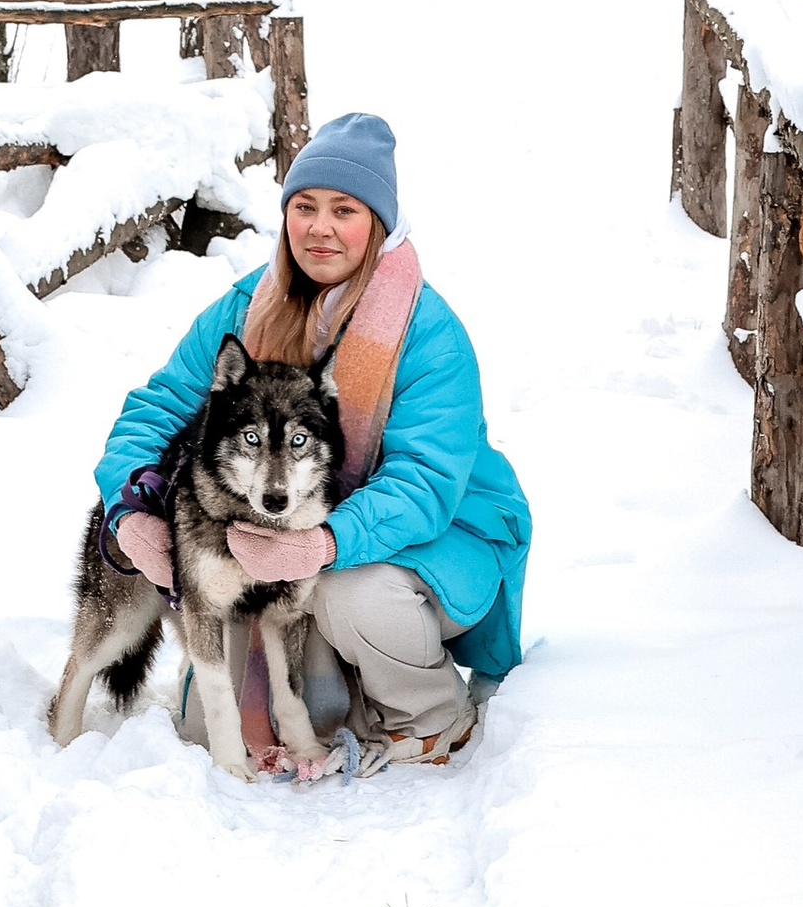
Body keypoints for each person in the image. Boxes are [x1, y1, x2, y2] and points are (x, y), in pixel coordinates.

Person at [92, 110, 530, 773]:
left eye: (344, 209)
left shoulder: (428, 333)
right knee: (202, 726)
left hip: (445, 537)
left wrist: (321, 543)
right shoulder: (248, 306)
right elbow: (158, 407)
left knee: (346, 592)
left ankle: (434, 717)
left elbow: (424, 482)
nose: (319, 227)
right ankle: (336, 701)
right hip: (287, 523)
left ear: (377, 224)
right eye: (304, 206)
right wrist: (133, 505)